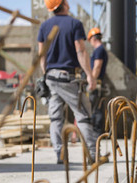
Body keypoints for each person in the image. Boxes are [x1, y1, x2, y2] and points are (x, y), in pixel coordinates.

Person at [38, 0, 98, 164]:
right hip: (68, 77)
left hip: (51, 77)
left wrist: (45, 75)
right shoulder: (74, 24)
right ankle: (92, 155)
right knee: (83, 115)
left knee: (55, 118)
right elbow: (80, 50)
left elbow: (41, 55)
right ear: (63, 4)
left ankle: (60, 155)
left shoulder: (44, 26)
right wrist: (89, 75)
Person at [87, 27, 108, 135]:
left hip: (96, 83)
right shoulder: (100, 50)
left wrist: (92, 81)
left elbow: (97, 67)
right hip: (97, 83)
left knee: (95, 109)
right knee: (96, 108)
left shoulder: (99, 50)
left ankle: (96, 134)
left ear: (92, 39)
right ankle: (96, 133)